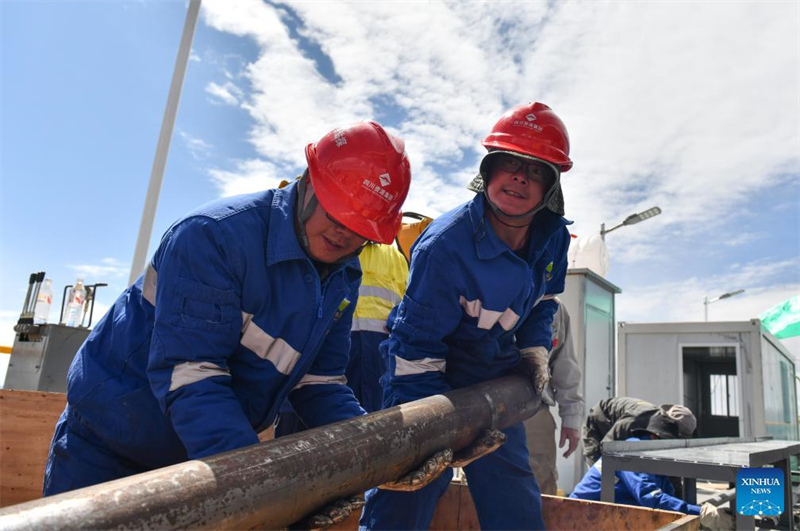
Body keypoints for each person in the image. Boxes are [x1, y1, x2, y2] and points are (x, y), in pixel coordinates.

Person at [43, 121, 412, 496]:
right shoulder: (214, 237)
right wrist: (254, 485)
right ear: (309, 184)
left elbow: (319, 382)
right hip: (110, 449)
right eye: (337, 213)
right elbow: (191, 372)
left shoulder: (342, 274)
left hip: (196, 459)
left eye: (361, 227)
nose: (345, 234)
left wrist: (373, 447)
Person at [360, 102, 574, 531]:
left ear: (551, 187)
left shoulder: (554, 240)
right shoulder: (444, 247)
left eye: (535, 171)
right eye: (509, 163)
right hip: (423, 377)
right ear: (488, 171)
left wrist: (532, 347)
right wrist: (433, 428)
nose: (519, 177)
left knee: (512, 492)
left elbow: (543, 302)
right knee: (411, 488)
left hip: (491, 374)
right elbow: (415, 350)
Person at [276, 242, 409, 436]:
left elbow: (402, 311)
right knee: (300, 439)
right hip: (318, 358)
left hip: (374, 366)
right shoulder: (321, 244)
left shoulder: (394, 256)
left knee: (366, 432)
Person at [570, 415, 734, 531]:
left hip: (606, 515)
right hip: (579, 516)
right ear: (655, 437)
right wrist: (701, 514)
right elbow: (650, 497)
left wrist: (690, 514)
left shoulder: (655, 460)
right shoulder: (631, 451)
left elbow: (667, 495)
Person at [523, 300, 583, 495]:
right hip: (485, 407)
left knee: (538, 490)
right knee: (478, 492)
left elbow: (564, 362)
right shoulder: (487, 285)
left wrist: (571, 419)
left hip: (534, 411)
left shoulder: (555, 307)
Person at [583, 397, 697, 468]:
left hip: (620, 425)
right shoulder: (636, 418)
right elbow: (608, 446)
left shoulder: (660, 424)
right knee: (599, 467)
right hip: (600, 420)